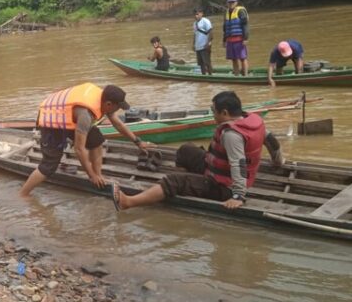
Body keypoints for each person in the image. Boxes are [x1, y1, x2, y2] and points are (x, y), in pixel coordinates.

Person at [113, 91, 284, 212]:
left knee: (174, 181)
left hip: (224, 186)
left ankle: (128, 202)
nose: (213, 114)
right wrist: (278, 162)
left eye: (213, 111)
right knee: (186, 150)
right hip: (217, 169)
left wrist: (238, 196)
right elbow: (271, 141)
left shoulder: (232, 135)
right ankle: (192, 182)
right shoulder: (252, 121)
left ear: (224, 113)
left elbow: (238, 164)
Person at [20, 83, 151, 197]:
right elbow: (79, 149)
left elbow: (118, 124)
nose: (118, 111)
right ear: (109, 104)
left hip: (70, 118)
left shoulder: (104, 101)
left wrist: (137, 141)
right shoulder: (85, 116)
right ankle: (23, 194)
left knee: (97, 140)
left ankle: (99, 176)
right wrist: (91, 175)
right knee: (49, 165)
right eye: (118, 107)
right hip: (52, 121)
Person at [223, 0, 249, 76]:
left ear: (236, 3)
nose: (231, 4)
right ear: (227, 3)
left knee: (242, 58)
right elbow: (224, 27)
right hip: (230, 40)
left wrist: (245, 38)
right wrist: (224, 40)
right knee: (233, 59)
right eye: (229, 2)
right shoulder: (226, 12)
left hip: (239, 39)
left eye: (233, 2)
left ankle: (245, 75)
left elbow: (245, 25)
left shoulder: (241, 11)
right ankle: (236, 75)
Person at [193, 8, 213, 75]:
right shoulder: (194, 23)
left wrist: (208, 43)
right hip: (198, 46)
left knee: (207, 62)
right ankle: (203, 75)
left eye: (197, 14)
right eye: (195, 14)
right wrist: (193, 44)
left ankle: (210, 75)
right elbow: (195, 35)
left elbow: (210, 32)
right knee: (201, 63)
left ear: (202, 14)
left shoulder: (205, 21)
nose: (196, 16)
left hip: (205, 45)